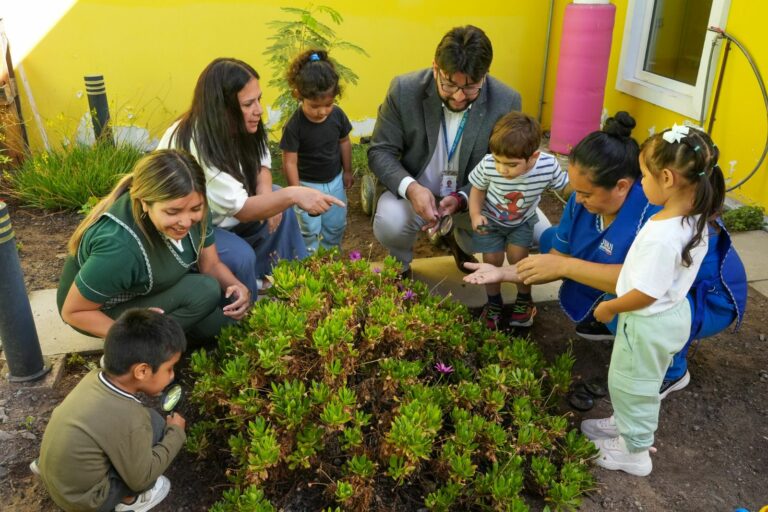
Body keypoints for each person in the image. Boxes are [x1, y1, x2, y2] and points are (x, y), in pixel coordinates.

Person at [464, 112, 746, 398]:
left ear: (623, 186)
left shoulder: (659, 212)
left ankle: (671, 371)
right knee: (554, 240)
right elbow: (552, 260)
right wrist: (503, 273)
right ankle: (609, 318)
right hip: (651, 282)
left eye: (586, 193)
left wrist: (567, 266)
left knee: (624, 304)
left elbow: (642, 286)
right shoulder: (585, 200)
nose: (578, 199)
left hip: (700, 299)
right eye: (576, 190)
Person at [581, 125, 726, 476]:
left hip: (647, 320)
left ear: (666, 177)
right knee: (631, 380)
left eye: (643, 175)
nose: (640, 182)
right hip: (670, 314)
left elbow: (647, 292)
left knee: (635, 386)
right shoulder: (693, 216)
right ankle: (623, 425)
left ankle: (635, 451)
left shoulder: (664, 235)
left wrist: (610, 307)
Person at [158, 57, 344, 297]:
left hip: (226, 218)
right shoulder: (198, 144)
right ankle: (251, 311)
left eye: (259, 99)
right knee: (240, 255)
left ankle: (291, 285)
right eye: (248, 104)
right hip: (193, 232)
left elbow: (262, 163)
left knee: (278, 201)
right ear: (223, 107)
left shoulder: (242, 124)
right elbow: (243, 210)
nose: (259, 110)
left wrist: (269, 197)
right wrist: (294, 193)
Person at [368, 25, 529, 275]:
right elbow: (380, 151)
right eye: (449, 85)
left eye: (470, 87)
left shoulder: (506, 101)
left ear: (485, 75)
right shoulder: (404, 90)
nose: (458, 97)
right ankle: (399, 264)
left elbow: (503, 167)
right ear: (435, 67)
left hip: (472, 197)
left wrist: (462, 199)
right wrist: (411, 188)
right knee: (391, 222)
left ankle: (459, 238)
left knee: (532, 232)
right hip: (415, 195)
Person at [57, 150, 250, 341]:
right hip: (99, 309)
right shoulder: (120, 247)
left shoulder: (193, 203)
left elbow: (211, 265)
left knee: (221, 328)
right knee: (204, 291)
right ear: (144, 203)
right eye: (173, 212)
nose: (185, 221)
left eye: (195, 209)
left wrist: (237, 286)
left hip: (149, 290)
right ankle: (133, 349)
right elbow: (74, 312)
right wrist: (129, 332)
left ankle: (161, 336)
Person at [37, 309, 187, 512]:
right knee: (160, 429)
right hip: (86, 502)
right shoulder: (130, 417)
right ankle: (130, 502)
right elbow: (142, 479)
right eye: (169, 368)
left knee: (151, 420)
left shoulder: (94, 378)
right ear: (142, 371)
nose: (171, 376)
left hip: (57, 476)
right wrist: (176, 433)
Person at [468, 112, 569, 329]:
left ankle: (524, 300)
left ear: (533, 156)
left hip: (521, 221)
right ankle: (494, 303)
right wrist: (476, 215)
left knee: (519, 259)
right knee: (492, 260)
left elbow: (565, 187)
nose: (502, 169)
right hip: (491, 221)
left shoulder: (547, 165)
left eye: (511, 165)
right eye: (498, 161)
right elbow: (477, 190)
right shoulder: (488, 165)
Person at [280, 49, 353, 254]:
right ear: (298, 95)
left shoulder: (337, 116)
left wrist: (347, 171)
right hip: (307, 185)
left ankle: (331, 258)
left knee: (335, 224)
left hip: (335, 182)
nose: (322, 111)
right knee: (309, 229)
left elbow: (344, 142)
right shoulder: (294, 126)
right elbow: (290, 162)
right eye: (314, 106)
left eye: (328, 104)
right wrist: (296, 193)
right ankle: (309, 261)